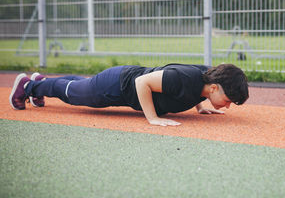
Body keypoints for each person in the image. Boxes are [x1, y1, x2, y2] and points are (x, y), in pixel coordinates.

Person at [9, 63, 249, 126]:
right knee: (74, 94)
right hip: (116, 86)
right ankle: (28, 86)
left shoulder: (207, 81)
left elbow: (196, 90)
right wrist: (152, 118)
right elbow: (142, 82)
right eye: (228, 101)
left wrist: (200, 106)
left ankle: (40, 82)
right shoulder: (184, 79)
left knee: (79, 85)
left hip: (119, 82)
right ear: (216, 88)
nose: (226, 106)